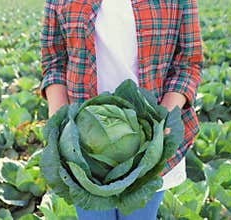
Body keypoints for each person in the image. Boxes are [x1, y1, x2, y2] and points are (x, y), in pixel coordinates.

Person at [39, 0, 203, 219]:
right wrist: (59, 123)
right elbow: (54, 61)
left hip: (152, 146)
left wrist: (161, 126)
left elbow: (187, 63)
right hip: (83, 150)